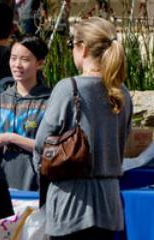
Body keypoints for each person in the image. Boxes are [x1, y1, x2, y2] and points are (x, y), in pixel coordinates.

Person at [33, 17, 133, 240]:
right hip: (109, 203)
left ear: (83, 48)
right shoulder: (122, 92)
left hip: (71, 203)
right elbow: (122, 142)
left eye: (71, 45)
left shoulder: (68, 88)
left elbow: (42, 146)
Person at [0, 36, 51, 191]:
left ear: (39, 63)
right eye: (13, 58)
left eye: (25, 59)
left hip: (36, 188)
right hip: (0, 189)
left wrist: (11, 138)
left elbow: (51, 149)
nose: (17, 65)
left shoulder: (50, 102)